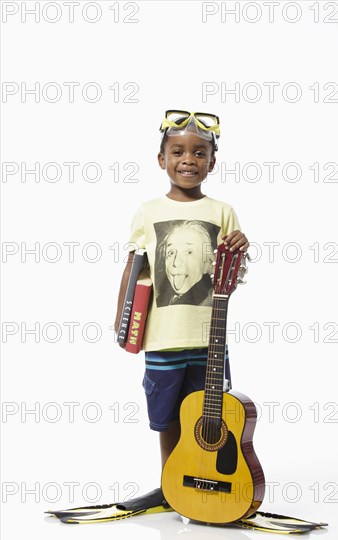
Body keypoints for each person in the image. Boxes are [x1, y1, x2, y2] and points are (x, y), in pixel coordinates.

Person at [114, 110, 249, 471]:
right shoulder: (148, 211)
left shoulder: (223, 211)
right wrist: (122, 321)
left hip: (209, 337)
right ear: (162, 159)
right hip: (162, 336)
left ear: (212, 162)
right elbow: (134, 268)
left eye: (199, 153)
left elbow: (233, 275)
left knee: (209, 417)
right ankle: (171, 482)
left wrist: (241, 246)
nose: (188, 159)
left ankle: (205, 478)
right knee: (167, 416)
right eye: (178, 152)